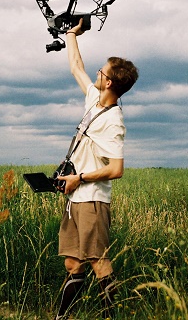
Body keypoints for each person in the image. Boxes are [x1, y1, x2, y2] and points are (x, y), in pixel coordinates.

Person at [54, 19, 139, 319]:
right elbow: (76, 66)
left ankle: (110, 317)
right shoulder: (94, 101)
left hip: (92, 199)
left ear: (110, 83)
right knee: (73, 264)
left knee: (99, 263)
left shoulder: (114, 121)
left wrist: (80, 178)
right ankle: (62, 317)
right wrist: (71, 34)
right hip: (76, 199)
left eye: (102, 72)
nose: (97, 74)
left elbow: (116, 169)